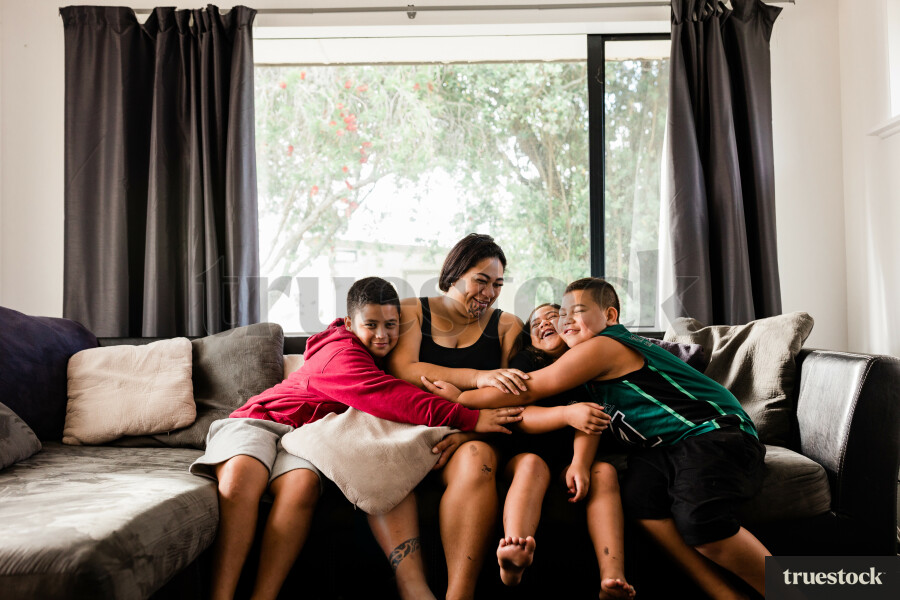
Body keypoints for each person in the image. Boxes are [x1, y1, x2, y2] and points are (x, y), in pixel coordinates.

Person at [423, 277, 771, 597]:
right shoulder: (579, 369)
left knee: (703, 523)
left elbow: (528, 391)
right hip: (669, 448)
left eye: (576, 312)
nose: (564, 321)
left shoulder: (603, 346)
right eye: (562, 316)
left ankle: (806, 587)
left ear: (610, 315)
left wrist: (459, 399)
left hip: (716, 432)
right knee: (641, 504)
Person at [190, 277, 524, 600]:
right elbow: (389, 397)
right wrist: (470, 416)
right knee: (243, 477)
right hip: (260, 421)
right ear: (350, 323)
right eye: (372, 324)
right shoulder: (340, 352)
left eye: (391, 325)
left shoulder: (383, 358)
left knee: (302, 485)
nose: (382, 335)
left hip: (302, 438)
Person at [387, 233, 528, 600]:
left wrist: (470, 431)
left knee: (478, 457)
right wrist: (477, 377)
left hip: (474, 437)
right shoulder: (412, 310)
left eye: (497, 284)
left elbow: (508, 399)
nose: (489, 292)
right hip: (413, 432)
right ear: (453, 275)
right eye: (480, 281)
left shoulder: (507, 325)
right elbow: (405, 368)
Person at [495, 302, 634, 598]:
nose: (544, 323)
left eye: (552, 317)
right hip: (524, 453)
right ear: (530, 340)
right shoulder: (527, 360)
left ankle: (612, 578)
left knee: (604, 471)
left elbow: (592, 418)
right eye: (535, 324)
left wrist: (581, 464)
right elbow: (517, 416)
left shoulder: (586, 361)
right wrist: (566, 414)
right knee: (532, 464)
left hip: (567, 459)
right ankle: (514, 551)